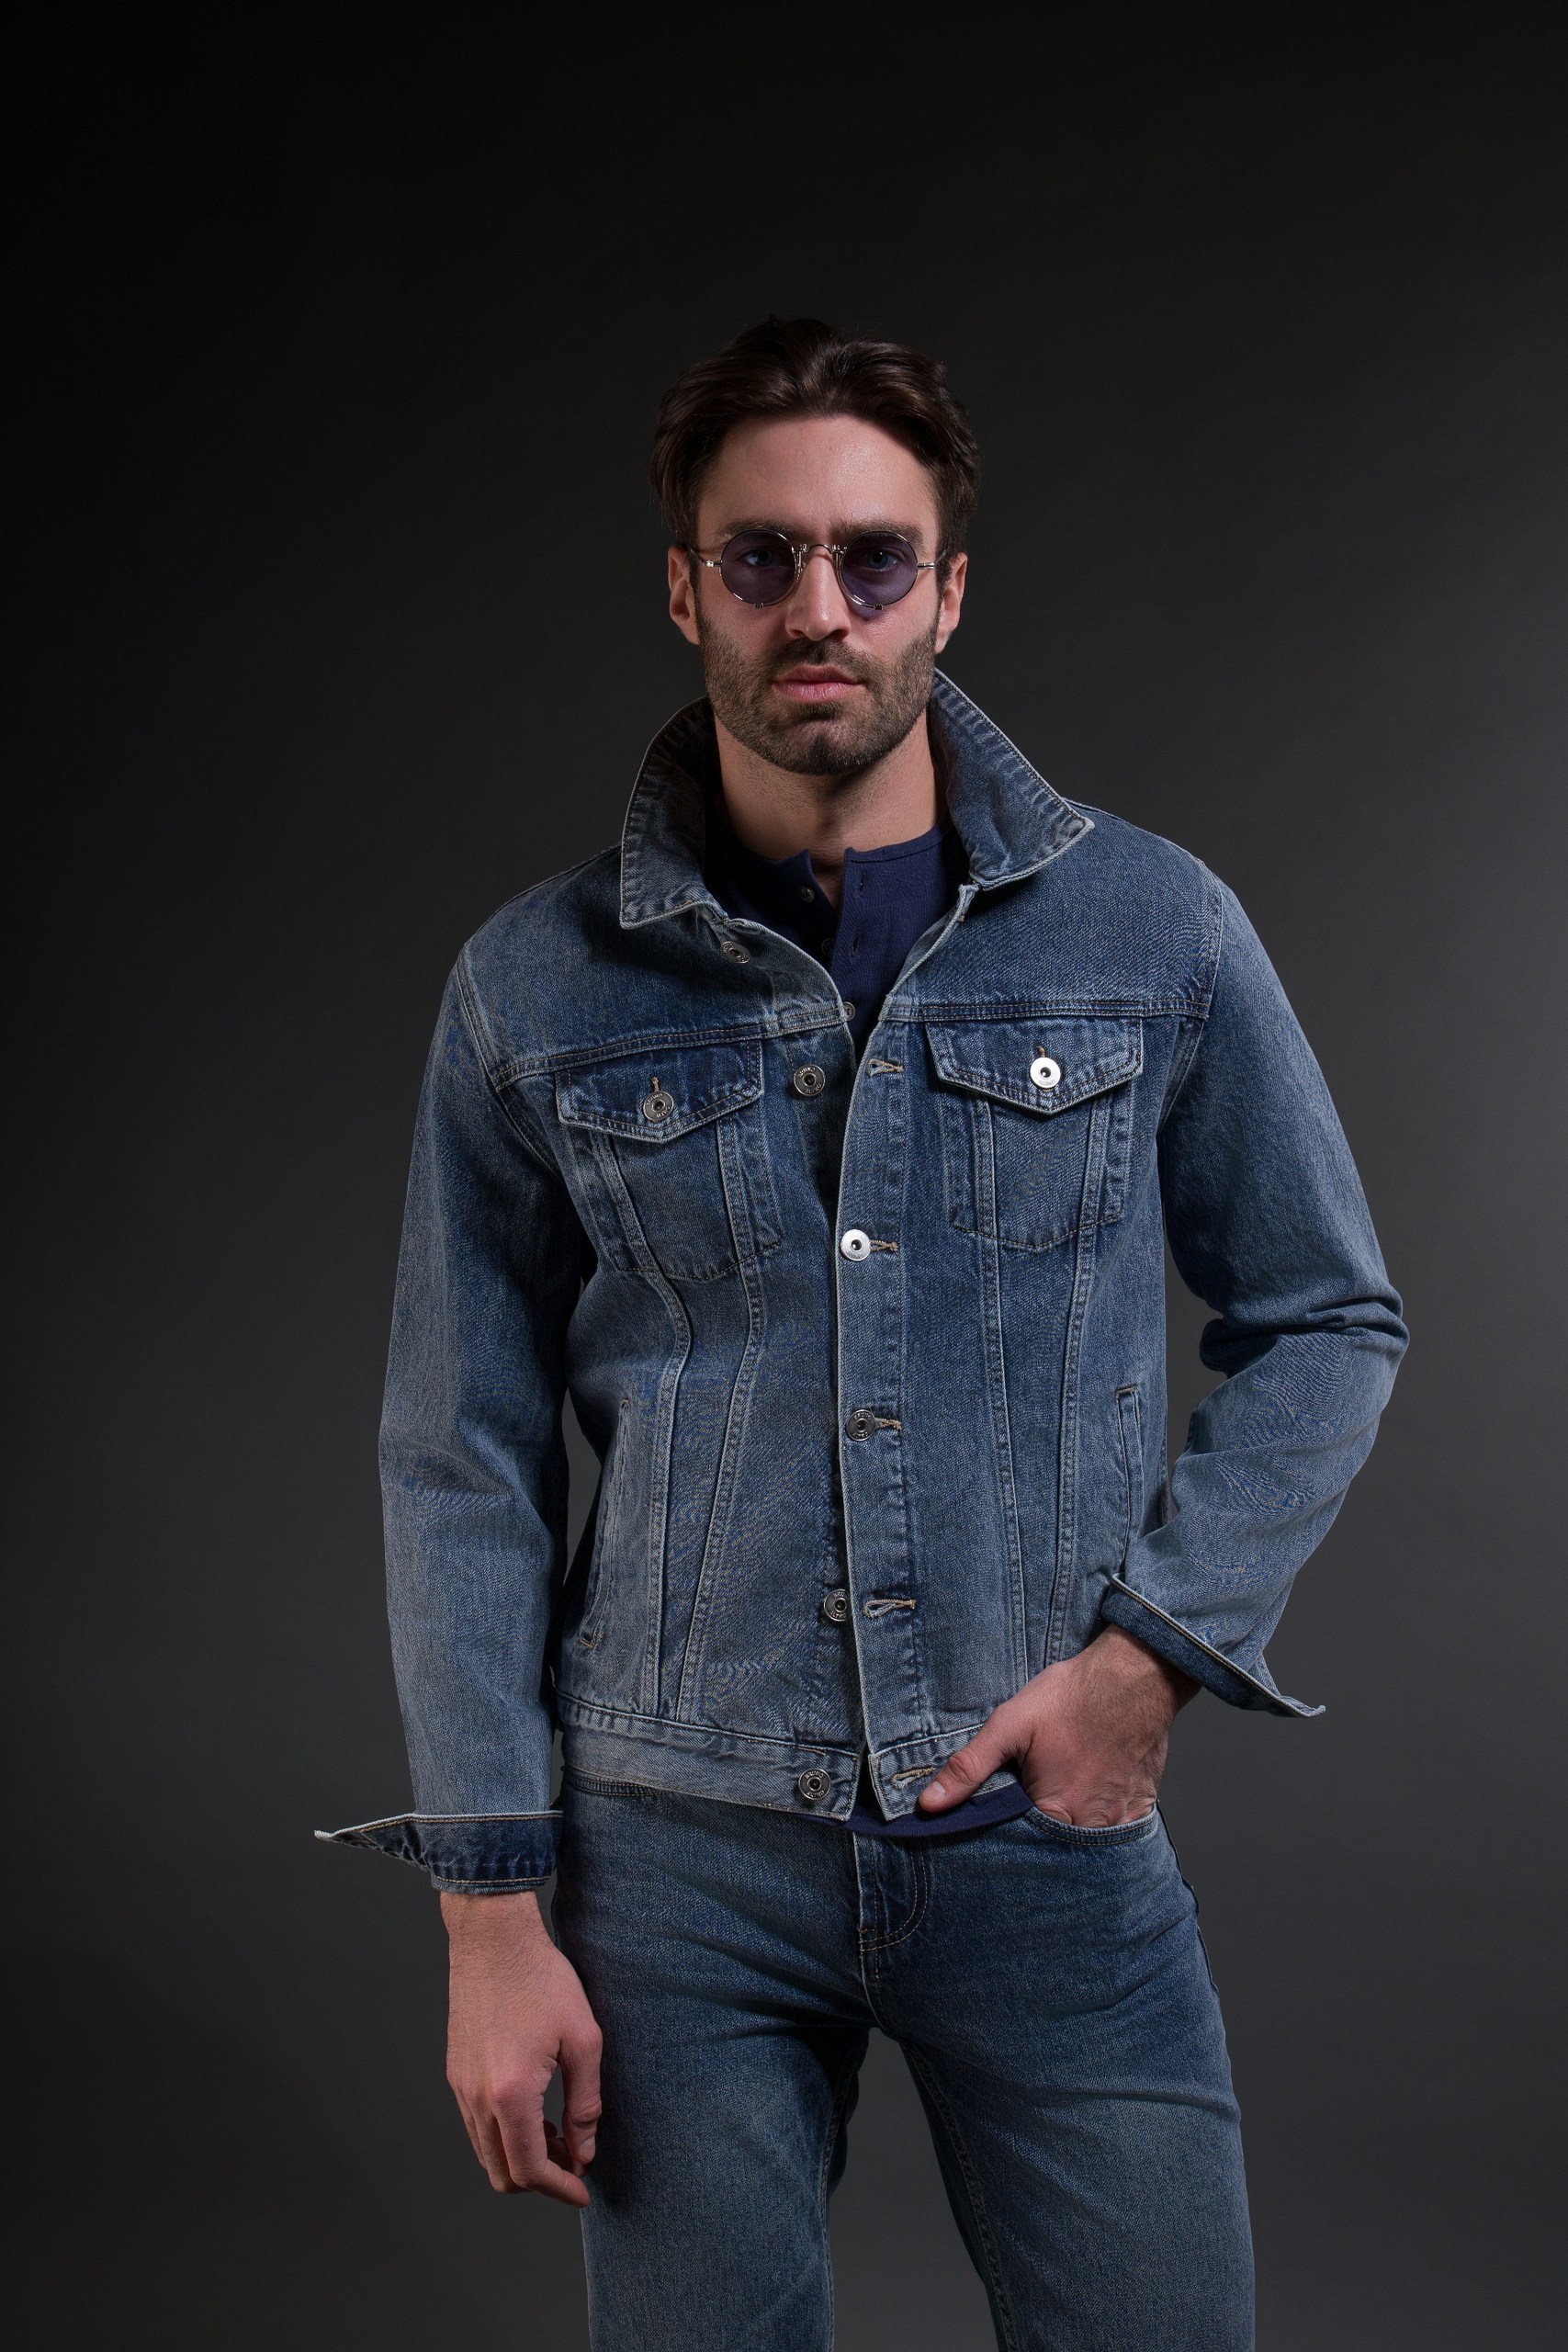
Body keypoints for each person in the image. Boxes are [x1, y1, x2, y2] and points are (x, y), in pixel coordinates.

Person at [321, 317, 1407, 2350]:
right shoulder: (533, 986)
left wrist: (1147, 1663)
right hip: (673, 1863)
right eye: (762, 558)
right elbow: (457, 1450)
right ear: (686, 589)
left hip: (1041, 1837)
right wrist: (488, 1914)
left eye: (870, 557)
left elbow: (1329, 1314)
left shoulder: (1153, 928)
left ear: (947, 589)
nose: (817, 608)